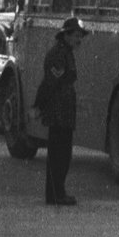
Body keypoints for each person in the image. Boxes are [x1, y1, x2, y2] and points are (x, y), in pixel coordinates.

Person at [36, 16, 86, 205]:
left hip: (63, 111)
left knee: (62, 154)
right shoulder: (59, 55)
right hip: (58, 111)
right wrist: (38, 106)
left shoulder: (66, 52)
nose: (79, 40)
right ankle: (56, 194)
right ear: (66, 35)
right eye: (76, 35)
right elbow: (50, 83)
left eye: (80, 36)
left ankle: (57, 192)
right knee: (59, 155)